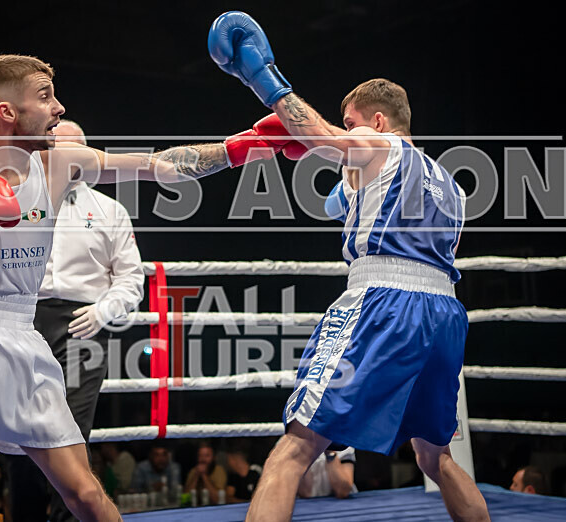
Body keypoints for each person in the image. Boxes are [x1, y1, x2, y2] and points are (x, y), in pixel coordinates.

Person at [0, 53, 302, 522]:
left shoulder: (59, 164)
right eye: (46, 97)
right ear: (8, 111)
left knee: (87, 494)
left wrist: (242, 149)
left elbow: (159, 165)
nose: (59, 108)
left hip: (18, 336)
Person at [209, 12, 491, 521]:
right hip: (443, 315)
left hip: (383, 305)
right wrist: (345, 182)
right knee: (436, 455)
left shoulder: (379, 144)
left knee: (293, 448)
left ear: (378, 121)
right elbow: (346, 204)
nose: (349, 133)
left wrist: (263, 78)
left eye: (353, 123)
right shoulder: (448, 183)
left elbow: (321, 136)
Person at [8, 119, 144, 521]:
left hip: (83, 326)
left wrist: (103, 310)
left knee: (71, 435)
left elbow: (132, 278)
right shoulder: (15, 201)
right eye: (55, 148)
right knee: (19, 433)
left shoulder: (108, 210)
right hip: (22, 321)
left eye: (73, 151)